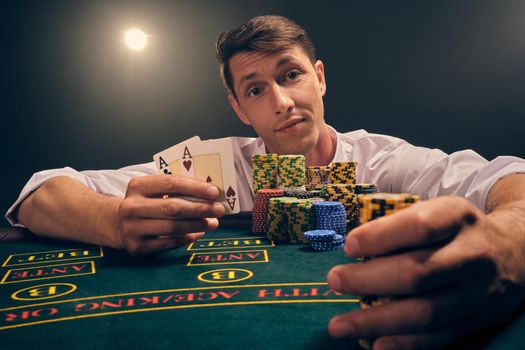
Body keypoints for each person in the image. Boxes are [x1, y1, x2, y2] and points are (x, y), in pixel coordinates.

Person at [6, 15, 525, 350]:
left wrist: (511, 239)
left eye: (291, 75)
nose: (280, 101)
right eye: (256, 88)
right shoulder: (213, 168)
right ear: (238, 107)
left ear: (319, 77)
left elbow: (506, 176)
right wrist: (111, 219)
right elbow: (40, 191)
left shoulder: (381, 159)